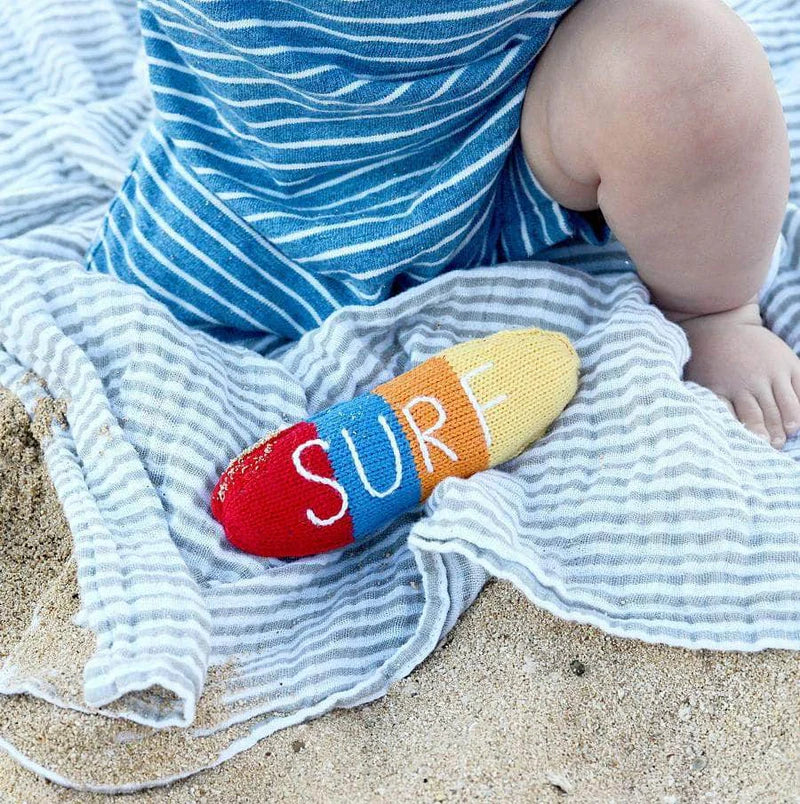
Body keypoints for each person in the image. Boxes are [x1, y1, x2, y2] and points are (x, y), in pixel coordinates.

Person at [89, 0, 793, 446]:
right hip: (248, 191)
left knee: (689, 63)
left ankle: (710, 309)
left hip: (512, 145)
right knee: (106, 363)